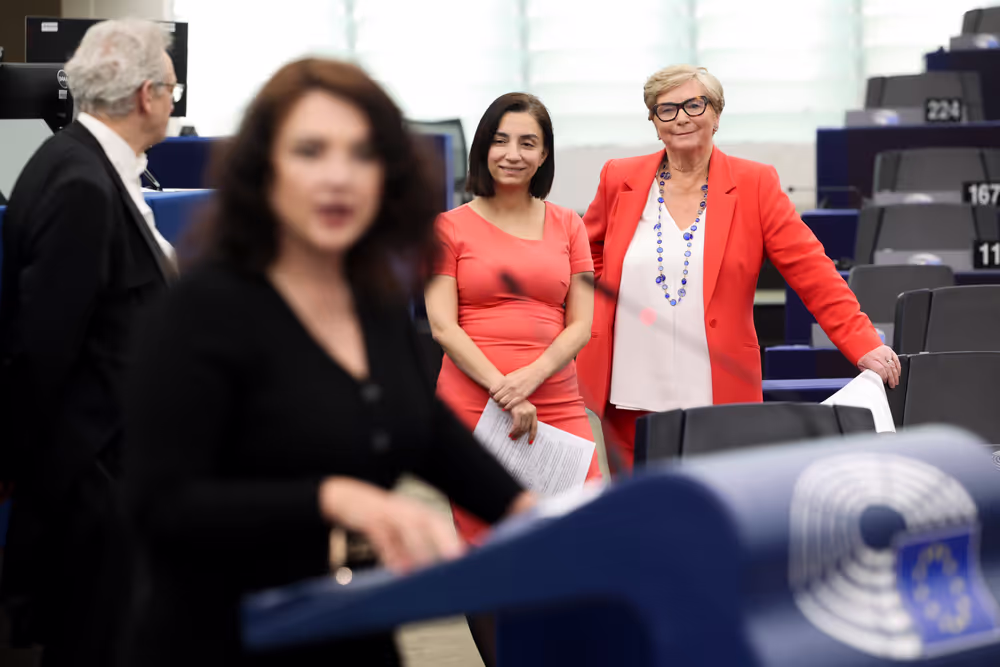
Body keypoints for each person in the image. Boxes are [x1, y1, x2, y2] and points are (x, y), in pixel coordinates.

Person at [121, 58, 535, 667]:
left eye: (361, 154)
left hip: (349, 627)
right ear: (265, 171)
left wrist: (525, 510)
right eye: (310, 151)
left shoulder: (371, 297)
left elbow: (421, 427)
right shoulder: (202, 309)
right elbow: (161, 505)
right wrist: (330, 498)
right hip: (220, 635)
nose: (338, 177)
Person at [576, 65, 900, 469]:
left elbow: (812, 270)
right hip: (629, 378)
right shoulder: (619, 178)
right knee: (640, 510)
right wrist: (605, 308)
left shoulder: (755, 183)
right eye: (667, 109)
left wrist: (862, 341)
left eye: (694, 104)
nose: (681, 117)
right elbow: (583, 261)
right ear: (654, 122)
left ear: (716, 114)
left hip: (716, 383)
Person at [0, 19, 179, 665]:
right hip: (93, 482)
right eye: (170, 82)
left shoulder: (91, 165)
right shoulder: (81, 184)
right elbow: (45, 349)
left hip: (108, 473)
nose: (174, 93)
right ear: (145, 96)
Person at [425, 93, 602, 544]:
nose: (512, 154)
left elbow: (580, 324)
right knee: (487, 544)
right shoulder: (447, 227)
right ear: (483, 147)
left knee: (583, 535)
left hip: (556, 400)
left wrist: (530, 377)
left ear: (544, 155)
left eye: (528, 143)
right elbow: (443, 325)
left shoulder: (569, 224)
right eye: (501, 140)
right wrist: (503, 389)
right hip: (471, 402)